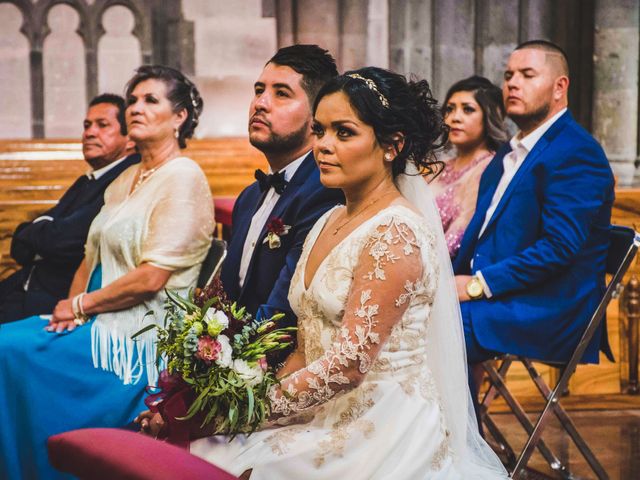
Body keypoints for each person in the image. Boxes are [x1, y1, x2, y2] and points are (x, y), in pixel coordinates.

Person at [139, 67, 507, 479]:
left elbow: (348, 366)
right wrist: (244, 407)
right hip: (317, 404)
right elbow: (302, 348)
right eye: (320, 131)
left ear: (391, 145)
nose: (323, 146)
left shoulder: (396, 233)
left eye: (344, 133)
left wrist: (243, 413)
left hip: (378, 425)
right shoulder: (329, 219)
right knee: (198, 450)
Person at [0, 65, 215, 480]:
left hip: (139, 337)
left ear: (179, 117)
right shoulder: (126, 179)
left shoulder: (183, 176)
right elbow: (89, 257)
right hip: (97, 317)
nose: (136, 107)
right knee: (14, 342)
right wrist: (69, 311)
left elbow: (153, 277)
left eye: (150, 100)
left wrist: (83, 304)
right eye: (132, 99)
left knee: (6, 349)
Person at [452, 41, 615, 404]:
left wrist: (477, 286)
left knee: (429, 330)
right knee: (406, 312)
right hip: (509, 298)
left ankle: (457, 448)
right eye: (509, 75)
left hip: (550, 310)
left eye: (527, 75)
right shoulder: (506, 157)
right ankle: (453, 443)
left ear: (560, 87)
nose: (512, 83)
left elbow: (559, 248)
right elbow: (479, 236)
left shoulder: (576, 152)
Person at [220, 44, 344, 331]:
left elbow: (287, 309)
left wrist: (234, 362)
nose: (260, 103)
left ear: (318, 116)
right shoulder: (249, 197)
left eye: (281, 94)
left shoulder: (324, 191)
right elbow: (229, 295)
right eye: (259, 90)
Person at [0, 94, 139, 323]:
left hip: (55, 301)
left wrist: (40, 229)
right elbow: (20, 245)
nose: (89, 132)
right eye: (87, 125)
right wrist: (44, 232)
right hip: (27, 287)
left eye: (102, 125)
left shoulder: (124, 179)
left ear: (130, 139)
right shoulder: (88, 180)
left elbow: (63, 241)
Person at [429, 76, 507, 258]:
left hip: (445, 270)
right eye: (450, 109)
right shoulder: (439, 167)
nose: (455, 118)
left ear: (489, 116)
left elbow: (459, 236)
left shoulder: (489, 167)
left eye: (468, 109)